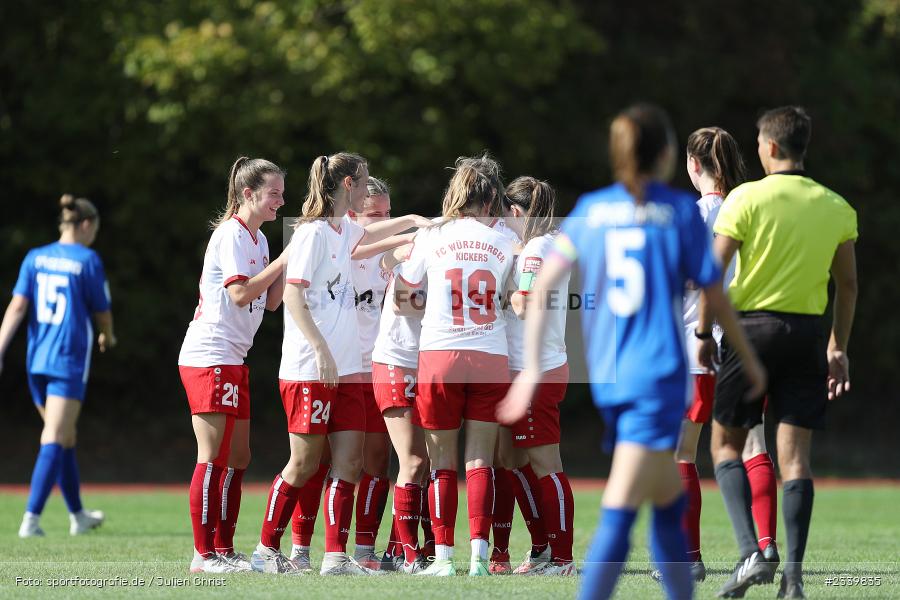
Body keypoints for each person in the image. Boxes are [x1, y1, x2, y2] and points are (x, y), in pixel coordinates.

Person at [498, 104, 767, 600]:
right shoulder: (677, 213)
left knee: (664, 497)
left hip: (615, 373)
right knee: (623, 505)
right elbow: (713, 291)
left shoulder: (592, 210)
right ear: (667, 155)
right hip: (663, 371)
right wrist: (747, 359)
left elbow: (539, 289)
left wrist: (532, 368)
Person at [698, 106, 858, 599]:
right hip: (807, 334)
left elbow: (712, 273)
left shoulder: (744, 197)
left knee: (725, 445)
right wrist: (838, 347)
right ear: (803, 146)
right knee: (796, 460)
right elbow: (848, 286)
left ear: (768, 147)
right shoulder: (836, 205)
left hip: (750, 333)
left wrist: (704, 335)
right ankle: (793, 578)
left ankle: (750, 553)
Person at [253, 152, 428, 576]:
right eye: (364, 178)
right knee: (304, 463)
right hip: (310, 368)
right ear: (348, 184)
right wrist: (320, 349)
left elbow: (371, 237)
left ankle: (335, 557)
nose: (369, 184)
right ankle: (265, 550)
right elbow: (292, 295)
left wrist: (417, 223)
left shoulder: (341, 228)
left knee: (349, 462)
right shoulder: (312, 232)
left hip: (348, 368)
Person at [652, 127, 780, 584]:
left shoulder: (689, 216)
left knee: (682, 453)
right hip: (747, 343)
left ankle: (688, 557)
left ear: (692, 165)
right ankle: (766, 546)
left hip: (695, 345)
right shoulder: (753, 210)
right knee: (754, 445)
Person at [394, 155, 515, 577]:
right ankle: (480, 558)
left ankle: (443, 559)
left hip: (441, 354)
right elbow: (515, 297)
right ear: (491, 199)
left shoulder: (432, 235)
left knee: (441, 460)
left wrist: (432, 305)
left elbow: (403, 297)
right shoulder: (505, 239)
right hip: (490, 353)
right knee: (480, 458)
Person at [178, 157, 287, 573]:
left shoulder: (258, 240)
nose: (281, 199)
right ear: (248, 193)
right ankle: (203, 555)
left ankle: (223, 550)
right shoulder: (232, 235)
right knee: (212, 456)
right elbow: (241, 295)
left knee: (239, 456)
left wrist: (299, 257)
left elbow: (270, 302)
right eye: (274, 192)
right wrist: (284, 259)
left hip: (233, 358)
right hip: (210, 354)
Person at [0, 194, 115, 539]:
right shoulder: (87, 259)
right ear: (85, 224)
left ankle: (78, 515)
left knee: (65, 436)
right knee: (54, 436)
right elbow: (102, 311)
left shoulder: (35, 257)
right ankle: (30, 520)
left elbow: (17, 308)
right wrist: (108, 336)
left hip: (37, 360)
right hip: (67, 359)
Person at [491, 177, 575, 576]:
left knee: (545, 463)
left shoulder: (535, 252)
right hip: (539, 363)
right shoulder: (550, 243)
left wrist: (505, 293)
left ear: (517, 213)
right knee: (512, 458)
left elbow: (524, 305)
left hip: (534, 368)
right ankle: (543, 547)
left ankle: (561, 558)